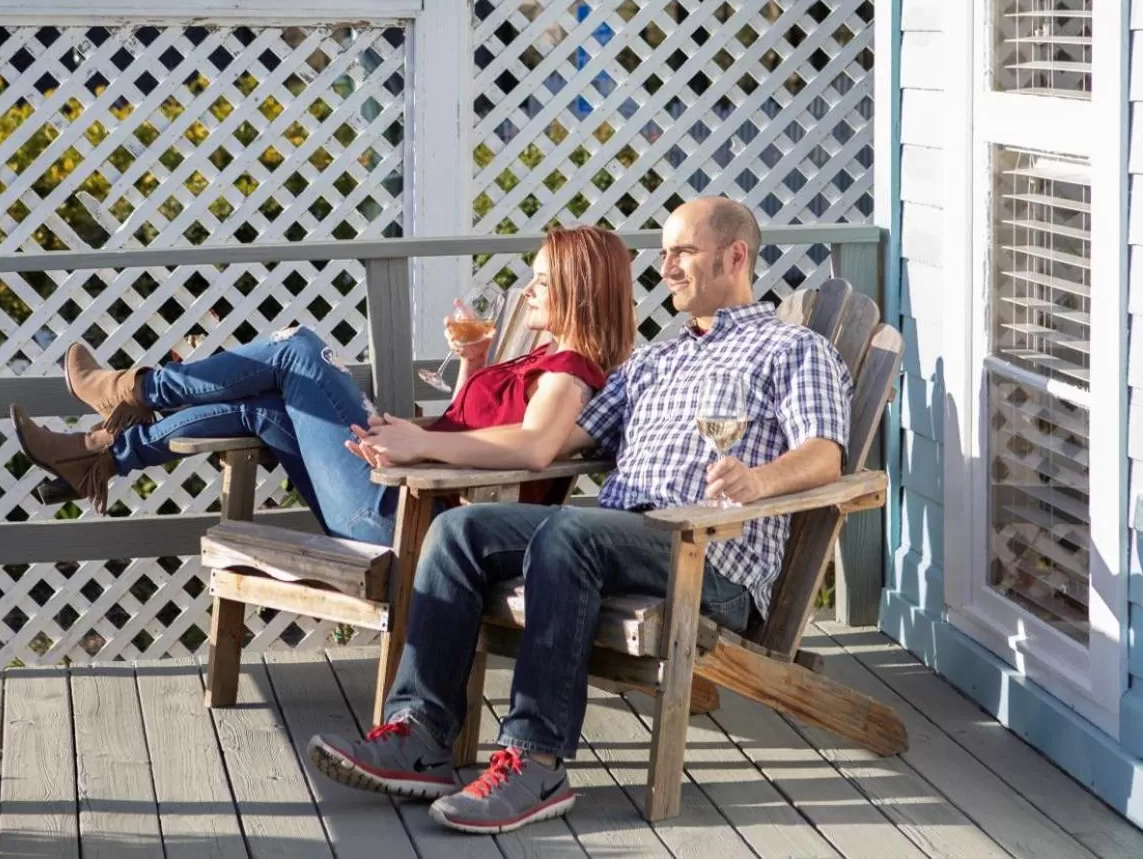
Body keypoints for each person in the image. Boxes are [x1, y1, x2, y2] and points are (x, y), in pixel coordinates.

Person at [308, 196, 853, 835]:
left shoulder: (793, 349)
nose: (666, 269)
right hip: (618, 537)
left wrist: (758, 480)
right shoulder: (654, 360)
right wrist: (428, 438)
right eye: (664, 254)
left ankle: (535, 762)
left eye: (682, 252)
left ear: (735, 256)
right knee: (459, 531)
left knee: (571, 533)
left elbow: (825, 454)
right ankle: (420, 736)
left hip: (705, 556)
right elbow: (550, 441)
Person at [8, 224, 635, 541]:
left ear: (579, 291)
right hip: (399, 489)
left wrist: (419, 444)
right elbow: (475, 427)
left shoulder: (571, 371)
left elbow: (532, 448)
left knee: (297, 350)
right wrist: (470, 367)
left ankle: (134, 390)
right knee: (263, 408)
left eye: (543, 281)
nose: (529, 290)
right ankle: (97, 457)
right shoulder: (538, 357)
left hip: (405, 518)